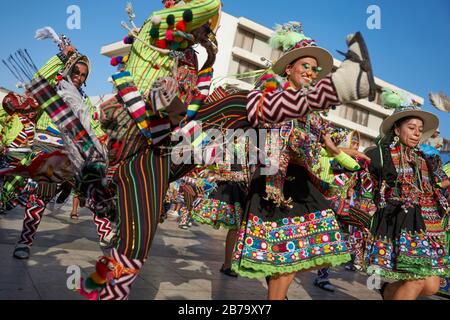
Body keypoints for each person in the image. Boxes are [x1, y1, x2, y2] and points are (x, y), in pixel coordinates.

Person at [231, 22, 375, 300]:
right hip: (276, 182)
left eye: (314, 69)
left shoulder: (312, 113)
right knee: (288, 254)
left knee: (304, 250)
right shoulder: (270, 93)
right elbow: (262, 120)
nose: (310, 72)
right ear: (288, 68)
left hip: (301, 182)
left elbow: (325, 143)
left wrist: (345, 152)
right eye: (305, 66)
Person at [365, 91, 450, 300]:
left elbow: (439, 183)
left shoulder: (428, 159)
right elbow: (366, 180)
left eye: (419, 130)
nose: (416, 133)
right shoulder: (382, 154)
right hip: (398, 222)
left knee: (431, 286)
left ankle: (386, 292)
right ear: (396, 129)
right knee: (416, 280)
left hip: (426, 225)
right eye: (411, 128)